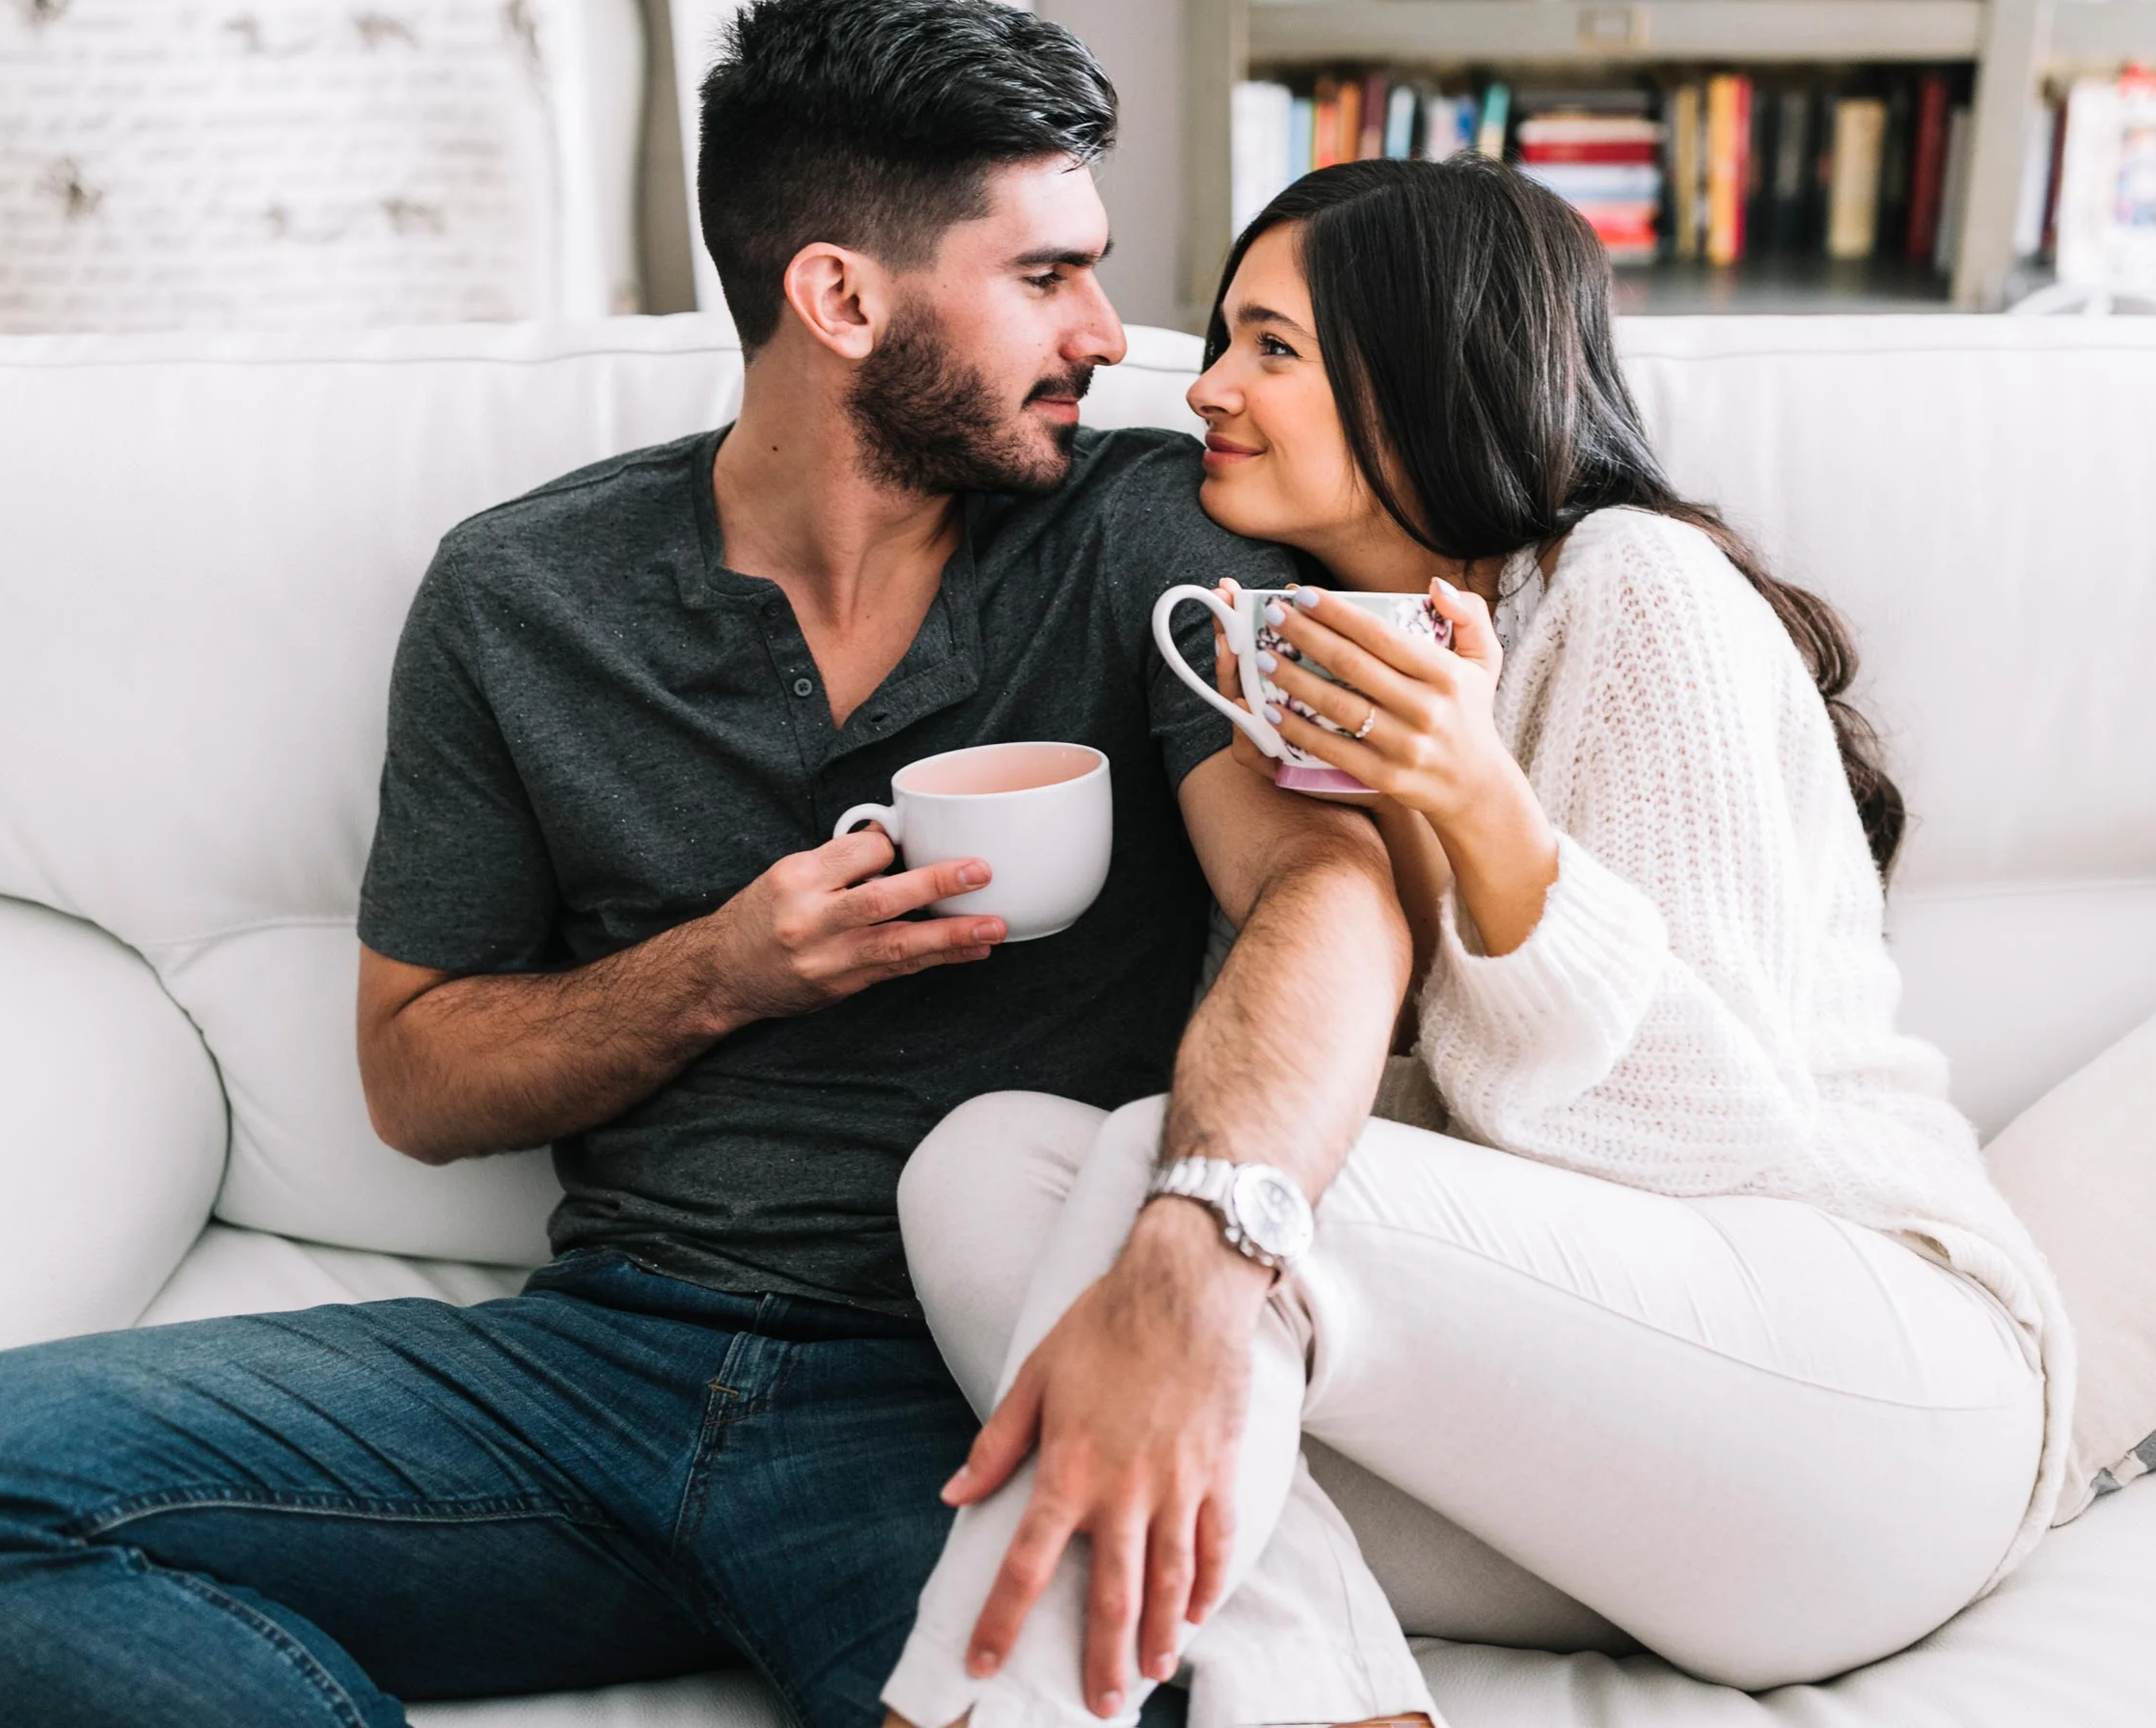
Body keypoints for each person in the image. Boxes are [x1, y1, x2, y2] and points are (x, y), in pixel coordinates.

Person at [0, 0, 1414, 1728]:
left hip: (957, 1392)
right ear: (842, 298)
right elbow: (417, 1076)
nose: (1114, 334)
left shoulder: (1150, 530)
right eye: (1045, 277)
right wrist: (719, 972)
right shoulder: (524, 595)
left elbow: (1322, 894)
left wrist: (1202, 1254)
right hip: (592, 1371)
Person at [885, 156, 2077, 1727]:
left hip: (1871, 1395)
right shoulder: (1294, 662)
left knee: (1195, 1173)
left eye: (1272, 347)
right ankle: (1336, 1700)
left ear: (1430, 373)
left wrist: (1483, 812)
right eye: (1223, 340)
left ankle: (955, 1716)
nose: (1210, 389)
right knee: (985, 1169)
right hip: (1596, 1481)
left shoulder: (1630, 590)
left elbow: (1716, 1141)